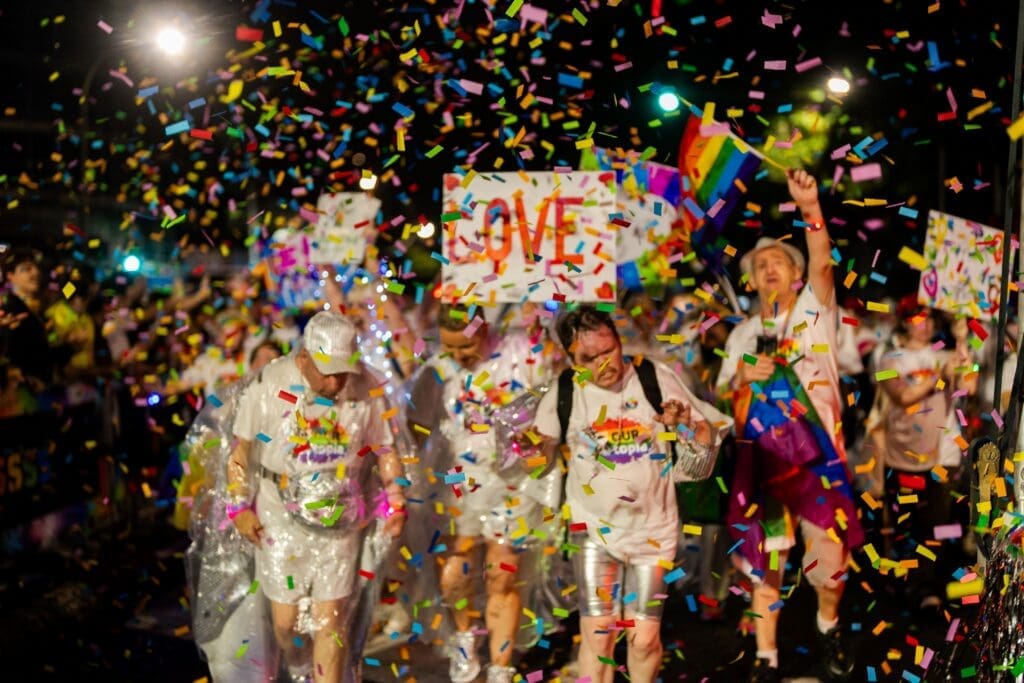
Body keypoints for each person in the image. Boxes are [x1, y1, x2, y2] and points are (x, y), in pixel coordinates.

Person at [528, 305, 730, 683]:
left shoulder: (655, 376)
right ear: (572, 359)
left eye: (609, 350)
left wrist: (687, 424)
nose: (604, 364)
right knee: (598, 633)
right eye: (589, 358)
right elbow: (538, 462)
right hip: (592, 529)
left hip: (653, 531)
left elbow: (703, 455)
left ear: (619, 341)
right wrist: (526, 445)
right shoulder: (566, 389)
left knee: (643, 639)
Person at [716, 169, 862, 682]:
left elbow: (823, 260)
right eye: (761, 265)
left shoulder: (813, 314)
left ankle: (828, 626)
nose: (770, 268)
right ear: (751, 280)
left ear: (796, 276)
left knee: (826, 563)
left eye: (779, 260)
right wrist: (741, 380)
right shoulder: (743, 336)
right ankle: (766, 657)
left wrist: (810, 206)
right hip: (764, 463)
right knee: (767, 562)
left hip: (818, 458)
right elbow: (722, 405)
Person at [227, 311, 406, 683]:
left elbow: (387, 449)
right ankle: (301, 666)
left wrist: (396, 497)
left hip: (341, 520)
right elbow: (240, 451)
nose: (336, 381)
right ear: (304, 357)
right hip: (280, 517)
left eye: (343, 371)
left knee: (331, 619)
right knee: (286, 624)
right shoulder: (268, 384)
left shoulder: (366, 388)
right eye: (327, 370)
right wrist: (238, 507)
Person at [406, 302, 553, 683]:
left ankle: (501, 668)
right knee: (455, 568)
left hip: (512, 483)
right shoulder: (437, 372)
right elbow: (413, 426)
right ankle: (463, 638)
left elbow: (551, 383)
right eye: (450, 347)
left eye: (465, 348)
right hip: (458, 483)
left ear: (484, 330)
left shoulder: (519, 354)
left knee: (502, 574)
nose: (458, 356)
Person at [875, 300, 975, 611]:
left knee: (937, 523)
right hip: (903, 457)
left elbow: (968, 385)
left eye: (930, 318)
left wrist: (961, 341)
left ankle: (927, 588)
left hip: (940, 456)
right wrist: (936, 377)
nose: (926, 324)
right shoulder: (888, 358)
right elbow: (902, 395)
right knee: (907, 523)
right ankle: (901, 586)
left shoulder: (943, 353)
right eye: (919, 317)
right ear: (905, 321)